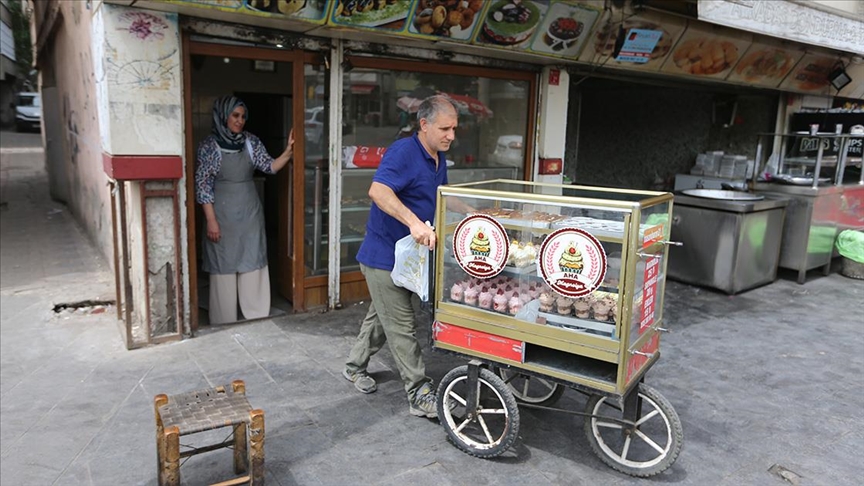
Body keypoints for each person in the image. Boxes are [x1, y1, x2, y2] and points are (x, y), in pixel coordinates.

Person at [343, 95, 458, 418]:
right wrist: (413, 223)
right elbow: (378, 191)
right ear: (424, 125)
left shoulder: (437, 157)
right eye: (445, 128)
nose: (451, 135)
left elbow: (441, 196)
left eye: (454, 129)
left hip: (409, 257)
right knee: (402, 326)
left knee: (382, 317)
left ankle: (354, 366)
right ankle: (419, 393)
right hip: (383, 256)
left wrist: (476, 212)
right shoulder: (404, 151)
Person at [195, 95, 294, 325]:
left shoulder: (251, 142)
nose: (240, 121)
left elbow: (269, 166)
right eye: (235, 116)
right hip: (221, 215)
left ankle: (256, 312)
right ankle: (224, 318)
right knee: (224, 263)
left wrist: (288, 151)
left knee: (252, 257)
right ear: (223, 116)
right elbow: (203, 186)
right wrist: (211, 220)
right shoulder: (209, 146)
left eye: (243, 116)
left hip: (249, 212)